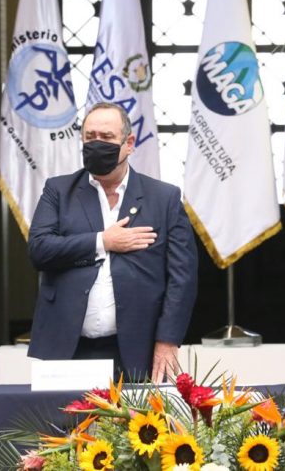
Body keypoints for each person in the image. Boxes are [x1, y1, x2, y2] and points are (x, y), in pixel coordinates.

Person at [27, 102, 198, 383]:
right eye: (90, 137)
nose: (97, 143)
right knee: (63, 415)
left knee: (140, 415)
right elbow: (39, 249)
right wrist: (102, 241)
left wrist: (168, 339)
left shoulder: (163, 198)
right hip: (68, 349)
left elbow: (182, 277)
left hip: (138, 350)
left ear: (128, 143)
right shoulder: (58, 190)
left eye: (106, 137)